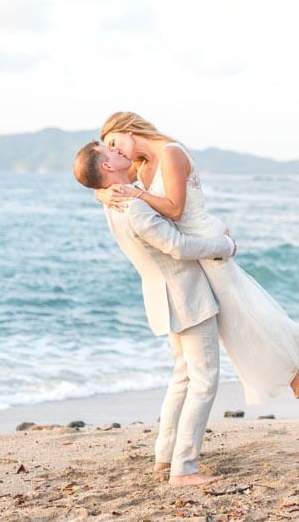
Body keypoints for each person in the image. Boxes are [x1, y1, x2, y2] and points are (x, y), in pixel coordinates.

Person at [95, 111, 299, 403]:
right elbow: (113, 180)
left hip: (203, 238)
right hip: (194, 246)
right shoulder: (143, 163)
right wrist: (101, 195)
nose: (116, 151)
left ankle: (292, 359)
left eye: (114, 143)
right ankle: (296, 342)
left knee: (237, 312)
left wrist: (138, 196)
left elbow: (175, 210)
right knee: (239, 307)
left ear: (128, 130)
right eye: (109, 149)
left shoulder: (170, 153)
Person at [73, 142, 233, 486]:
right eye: (109, 151)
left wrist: (99, 193)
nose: (118, 151)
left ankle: (165, 457)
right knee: (204, 381)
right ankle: (184, 468)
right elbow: (178, 246)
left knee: (183, 377)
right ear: (106, 168)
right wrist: (224, 246)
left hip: (163, 299)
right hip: (186, 297)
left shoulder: (114, 203)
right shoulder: (134, 207)